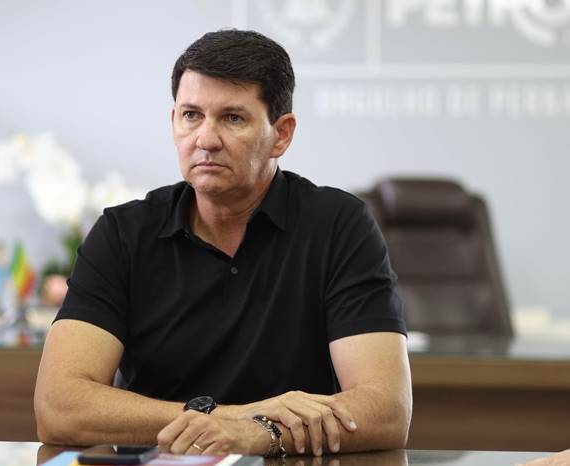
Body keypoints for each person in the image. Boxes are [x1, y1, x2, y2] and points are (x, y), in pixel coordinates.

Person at [34, 29, 411, 457]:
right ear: (173, 121)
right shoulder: (123, 233)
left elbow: (386, 411)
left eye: (233, 118)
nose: (206, 139)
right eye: (191, 115)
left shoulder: (339, 225)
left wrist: (260, 435)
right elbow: (58, 407)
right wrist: (232, 417)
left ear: (282, 134)